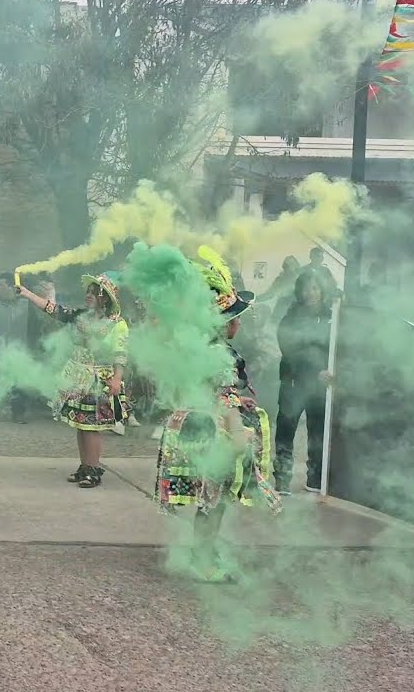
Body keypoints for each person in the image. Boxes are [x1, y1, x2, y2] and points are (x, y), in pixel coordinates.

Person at [153, 247, 281, 582]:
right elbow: (218, 397)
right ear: (224, 324)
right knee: (212, 496)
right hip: (209, 430)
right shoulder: (216, 353)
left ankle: (204, 550)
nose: (238, 323)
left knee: (214, 497)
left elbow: (216, 392)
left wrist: (240, 402)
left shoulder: (206, 347)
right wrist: (238, 431)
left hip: (202, 425)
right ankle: (202, 556)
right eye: (234, 318)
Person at [17, 271, 129, 489]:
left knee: (91, 426)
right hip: (77, 376)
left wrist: (117, 378)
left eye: (93, 293)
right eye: (87, 292)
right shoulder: (80, 316)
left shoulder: (117, 324)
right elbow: (53, 310)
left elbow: (120, 353)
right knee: (80, 424)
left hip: (99, 379)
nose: (87, 295)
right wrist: (27, 294)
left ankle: (94, 469)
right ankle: (84, 467)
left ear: (104, 297)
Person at [273, 271, 333, 494]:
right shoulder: (291, 317)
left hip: (320, 387)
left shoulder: (331, 317)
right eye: (307, 288)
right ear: (300, 291)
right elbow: (288, 348)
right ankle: (282, 479)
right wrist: (314, 369)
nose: (312, 293)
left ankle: (315, 478)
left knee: (317, 433)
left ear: (322, 290)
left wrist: (330, 371)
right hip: (293, 384)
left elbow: (336, 348)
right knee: (286, 431)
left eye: (316, 288)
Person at [0, 271, 43, 423]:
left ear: (12, 287)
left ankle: (18, 413)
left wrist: (32, 349)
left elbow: (35, 330)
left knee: (19, 383)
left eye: (1, 285)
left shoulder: (27, 306)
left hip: (20, 353)